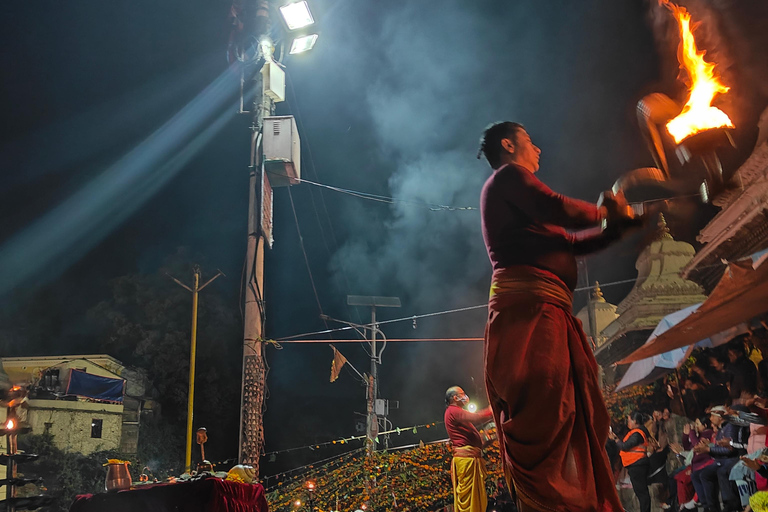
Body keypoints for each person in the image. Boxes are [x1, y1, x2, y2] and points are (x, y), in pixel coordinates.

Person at [478, 121, 642, 511]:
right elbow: (558, 208)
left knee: (570, 414)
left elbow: (569, 242)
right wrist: (605, 212)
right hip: (529, 318)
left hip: (547, 314)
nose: (538, 150)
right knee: (551, 410)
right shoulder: (507, 178)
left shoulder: (525, 205)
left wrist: (616, 228)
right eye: (530, 142)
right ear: (508, 144)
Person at [444, 386, 493, 512]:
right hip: (467, 461)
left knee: (475, 497)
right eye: (463, 393)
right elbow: (477, 418)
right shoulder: (453, 411)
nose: (465, 396)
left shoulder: (455, 411)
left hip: (471, 459)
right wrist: (491, 409)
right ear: (455, 397)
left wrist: (488, 440)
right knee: (469, 500)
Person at [698, 406, 750, 512]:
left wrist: (709, 449)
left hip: (733, 458)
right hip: (722, 460)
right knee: (702, 474)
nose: (711, 419)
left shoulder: (730, 427)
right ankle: (709, 506)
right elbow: (720, 448)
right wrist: (711, 447)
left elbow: (729, 450)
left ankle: (731, 503)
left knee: (722, 471)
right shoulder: (722, 429)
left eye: (713, 416)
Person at [611, 412, 651, 512]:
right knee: (640, 492)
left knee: (642, 493)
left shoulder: (637, 433)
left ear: (635, 421)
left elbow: (625, 446)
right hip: (635, 464)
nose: (627, 423)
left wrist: (615, 439)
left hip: (638, 464)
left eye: (629, 420)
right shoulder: (636, 433)